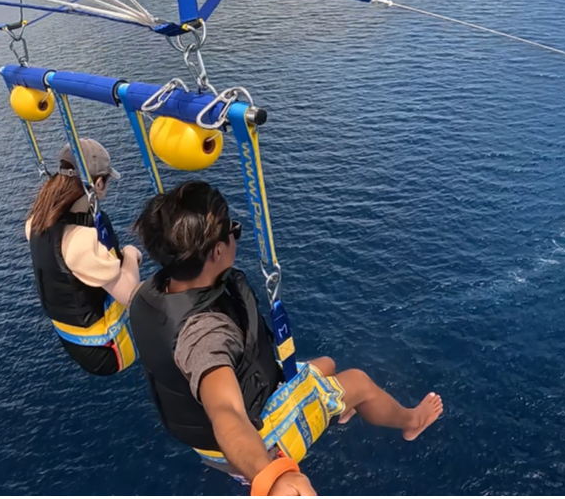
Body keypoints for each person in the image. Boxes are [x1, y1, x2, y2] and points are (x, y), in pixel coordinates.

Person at [129, 180, 443, 494]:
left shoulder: (151, 293)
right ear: (217, 251)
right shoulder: (205, 337)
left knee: (327, 364)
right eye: (233, 230)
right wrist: (273, 476)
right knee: (359, 382)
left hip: (234, 408)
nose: (236, 236)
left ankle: (338, 405)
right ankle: (411, 423)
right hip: (255, 443)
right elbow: (227, 412)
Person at [26, 138, 142, 376]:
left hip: (72, 339)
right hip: (108, 351)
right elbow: (130, 295)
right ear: (98, 184)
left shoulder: (35, 223)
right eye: (107, 182)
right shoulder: (81, 244)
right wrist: (130, 255)